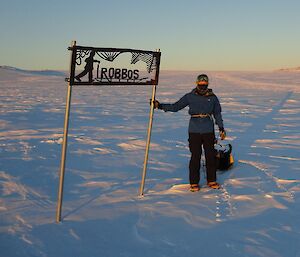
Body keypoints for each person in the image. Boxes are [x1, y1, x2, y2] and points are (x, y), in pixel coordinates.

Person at [153, 74, 226, 192]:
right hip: (194, 131)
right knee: (195, 156)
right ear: (196, 84)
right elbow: (176, 106)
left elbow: (217, 113)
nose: (203, 86)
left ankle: (211, 180)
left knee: (210, 156)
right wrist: (160, 106)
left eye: (205, 84)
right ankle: (194, 182)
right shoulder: (190, 96)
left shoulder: (213, 98)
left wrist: (221, 128)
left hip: (208, 130)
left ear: (207, 84)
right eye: (201, 84)